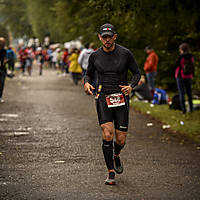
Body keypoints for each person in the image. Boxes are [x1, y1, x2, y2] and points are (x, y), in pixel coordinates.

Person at [84, 23, 141, 185]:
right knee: (107, 133)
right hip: (103, 97)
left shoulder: (125, 54)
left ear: (115, 36)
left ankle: (116, 155)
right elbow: (88, 75)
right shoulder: (95, 56)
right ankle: (110, 173)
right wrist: (86, 84)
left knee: (121, 139)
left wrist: (131, 86)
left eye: (110, 36)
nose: (107, 40)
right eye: (104, 37)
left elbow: (137, 73)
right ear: (99, 37)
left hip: (121, 98)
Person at [175, 43, 194, 114]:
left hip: (181, 75)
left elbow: (177, 64)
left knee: (181, 93)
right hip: (189, 76)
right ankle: (191, 108)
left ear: (181, 49)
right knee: (189, 93)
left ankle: (183, 110)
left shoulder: (181, 57)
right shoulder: (191, 56)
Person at [0, 37, 7, 103]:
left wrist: (5, 61)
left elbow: (5, 58)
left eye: (3, 42)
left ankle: (0, 96)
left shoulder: (4, 50)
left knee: (1, 83)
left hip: (2, 69)